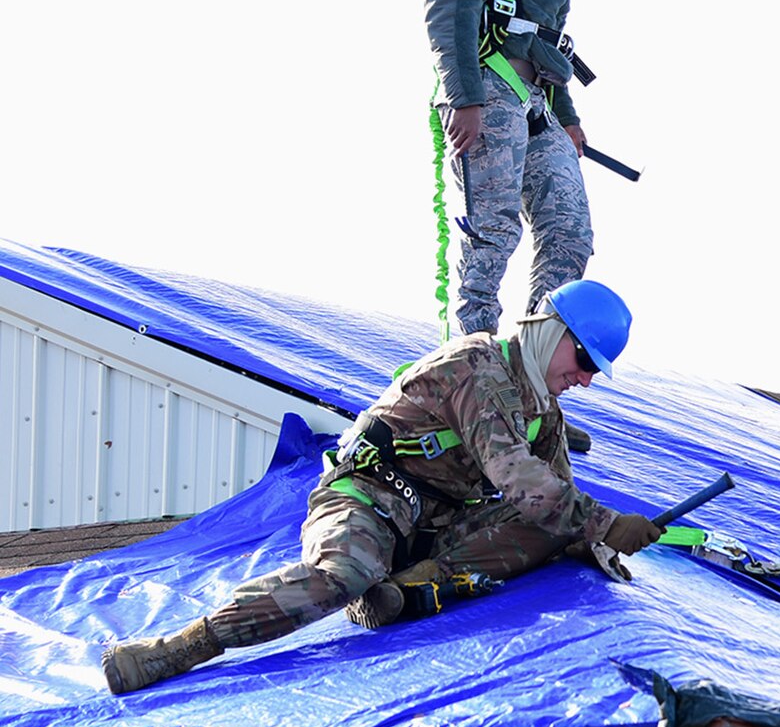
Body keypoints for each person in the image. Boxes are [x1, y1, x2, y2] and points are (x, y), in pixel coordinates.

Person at [100, 281, 662, 695]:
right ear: (553, 331)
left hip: (432, 525)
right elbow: (518, 478)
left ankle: (412, 587)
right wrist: (607, 524)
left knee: (553, 528)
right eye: (586, 358)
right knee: (342, 576)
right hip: (368, 497)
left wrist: (596, 540)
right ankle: (177, 650)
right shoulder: (480, 370)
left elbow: (558, 495)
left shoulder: (544, 409)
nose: (587, 378)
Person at [424, 0, 597, 449]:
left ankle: (528, 389)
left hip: (536, 102)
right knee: (488, 239)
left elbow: (543, 32)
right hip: (488, 96)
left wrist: (568, 114)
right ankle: (465, 387)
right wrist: (463, 96)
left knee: (569, 233)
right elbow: (450, 10)